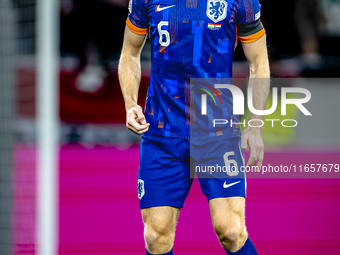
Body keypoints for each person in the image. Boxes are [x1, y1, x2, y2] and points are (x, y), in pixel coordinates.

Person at [118, 0, 270, 254]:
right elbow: (129, 54)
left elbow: (259, 63)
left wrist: (254, 125)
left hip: (216, 131)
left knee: (231, 231)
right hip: (163, 130)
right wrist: (130, 103)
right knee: (156, 237)